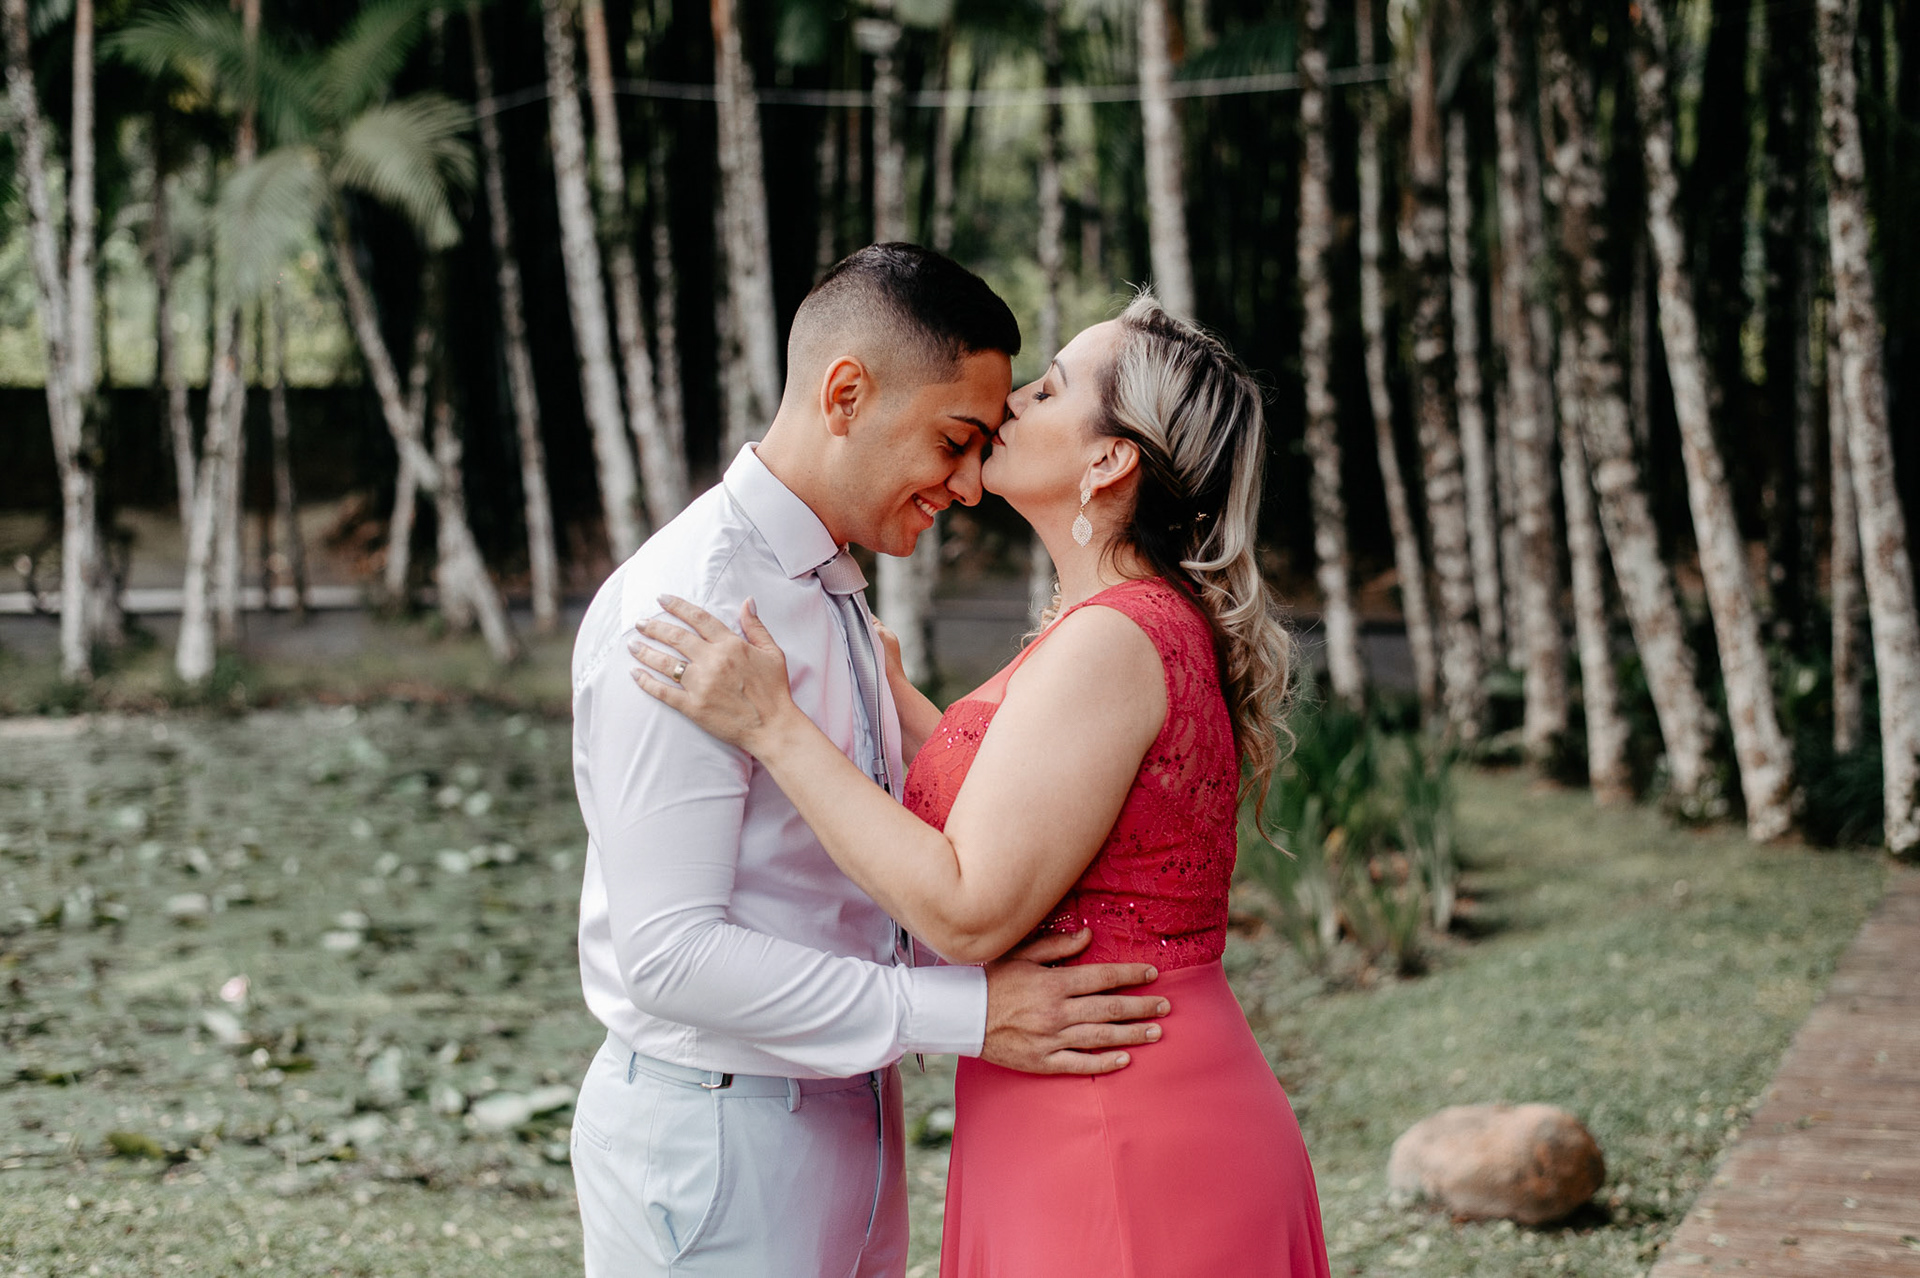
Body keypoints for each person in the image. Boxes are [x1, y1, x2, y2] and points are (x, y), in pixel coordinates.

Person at [631, 291, 1334, 1277]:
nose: (1014, 404)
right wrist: (892, 697)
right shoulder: (1117, 621)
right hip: (1087, 1092)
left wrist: (775, 729)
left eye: (1049, 390)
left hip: (1116, 1118)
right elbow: (1027, 800)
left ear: (1108, 460)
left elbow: (965, 909)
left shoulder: (1111, 639)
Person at [567, 244, 1170, 1278]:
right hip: (719, 1143)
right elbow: (669, 957)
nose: (970, 485)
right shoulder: (693, 606)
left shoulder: (828, 581)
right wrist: (971, 1015)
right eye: (954, 441)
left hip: (849, 1114)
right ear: (846, 394)